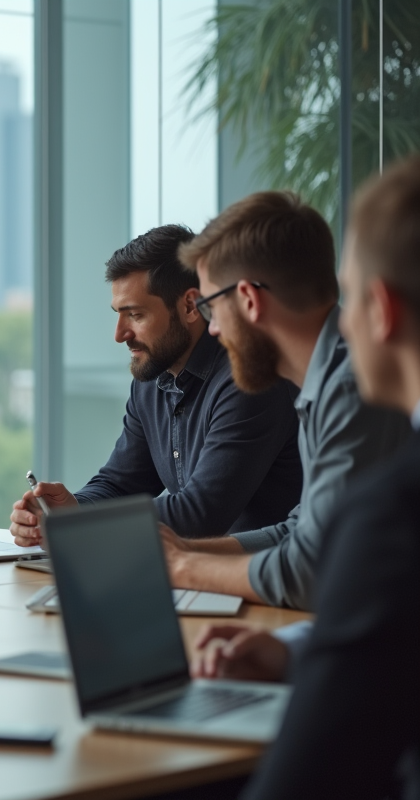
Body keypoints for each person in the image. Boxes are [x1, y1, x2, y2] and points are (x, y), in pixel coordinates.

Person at [192, 157, 420, 800]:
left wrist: (180, 567)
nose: (339, 323)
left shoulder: (395, 503)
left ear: (379, 308)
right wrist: (291, 650)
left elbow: (321, 565)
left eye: (348, 294)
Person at [157, 191, 409, 610]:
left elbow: (315, 570)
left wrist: (183, 567)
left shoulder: (350, 388)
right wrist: (184, 549)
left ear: (250, 301)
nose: (213, 330)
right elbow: (299, 531)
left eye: (209, 307)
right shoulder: (323, 380)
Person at [11, 225, 302, 545]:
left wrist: (80, 523)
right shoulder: (153, 379)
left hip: (264, 586)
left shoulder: (248, 380)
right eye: (118, 315)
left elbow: (201, 514)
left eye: (135, 315)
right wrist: (69, 509)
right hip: (195, 578)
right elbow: (120, 483)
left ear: (190, 306)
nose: (119, 334)